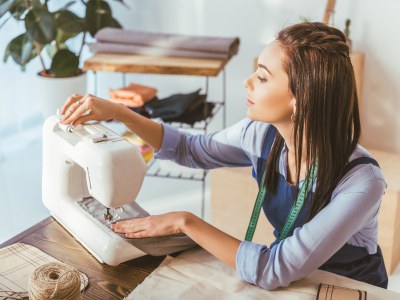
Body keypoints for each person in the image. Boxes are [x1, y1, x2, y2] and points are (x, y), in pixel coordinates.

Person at [60, 22, 388, 290]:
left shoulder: (361, 181)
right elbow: (191, 149)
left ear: (301, 100)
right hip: (296, 282)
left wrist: (183, 221)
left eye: (261, 77)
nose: (247, 82)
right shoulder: (261, 135)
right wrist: (118, 111)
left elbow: (276, 268)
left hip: (346, 289)